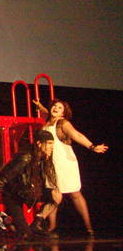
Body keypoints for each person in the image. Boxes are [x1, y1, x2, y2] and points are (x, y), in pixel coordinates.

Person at [33, 98, 108, 235]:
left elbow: (76, 135)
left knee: (74, 194)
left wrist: (92, 146)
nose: (56, 108)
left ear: (63, 113)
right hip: (50, 164)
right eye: (54, 106)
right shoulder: (48, 121)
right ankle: (51, 227)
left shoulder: (63, 123)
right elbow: (47, 113)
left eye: (60, 108)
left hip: (65, 163)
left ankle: (89, 227)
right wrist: (40, 106)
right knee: (54, 194)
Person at [0, 129, 62, 240]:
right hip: (13, 196)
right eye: (49, 144)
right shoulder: (24, 158)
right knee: (26, 235)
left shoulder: (43, 158)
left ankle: (36, 224)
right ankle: (6, 220)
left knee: (57, 195)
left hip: (28, 192)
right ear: (39, 144)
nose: (52, 147)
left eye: (52, 144)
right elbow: (2, 178)